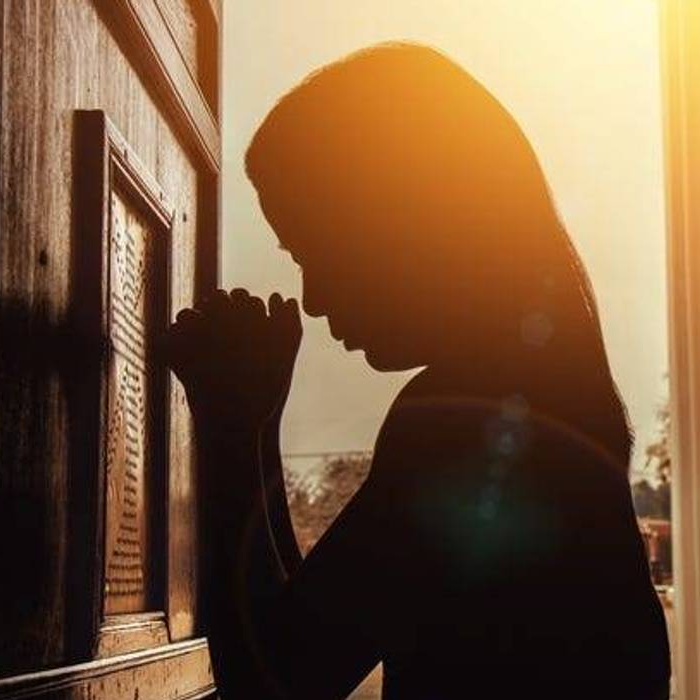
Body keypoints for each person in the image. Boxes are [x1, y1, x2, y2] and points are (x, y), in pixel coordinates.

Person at [165, 42, 671, 700]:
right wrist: (254, 423)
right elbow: (307, 627)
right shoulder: (548, 400)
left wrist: (232, 428)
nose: (312, 296)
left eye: (316, 248)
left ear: (401, 224)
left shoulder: (463, 428)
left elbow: (277, 682)